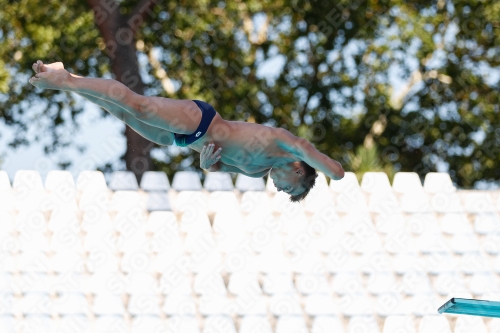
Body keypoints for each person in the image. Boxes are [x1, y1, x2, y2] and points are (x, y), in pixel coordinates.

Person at [30, 60, 344, 202]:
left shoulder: (255, 172)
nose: (280, 189)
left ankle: (66, 79)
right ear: (300, 171)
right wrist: (327, 169)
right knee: (137, 105)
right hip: (201, 121)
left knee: (119, 110)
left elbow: (218, 164)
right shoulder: (288, 146)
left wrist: (207, 165)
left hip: (182, 140)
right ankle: (66, 79)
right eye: (290, 188)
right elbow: (337, 172)